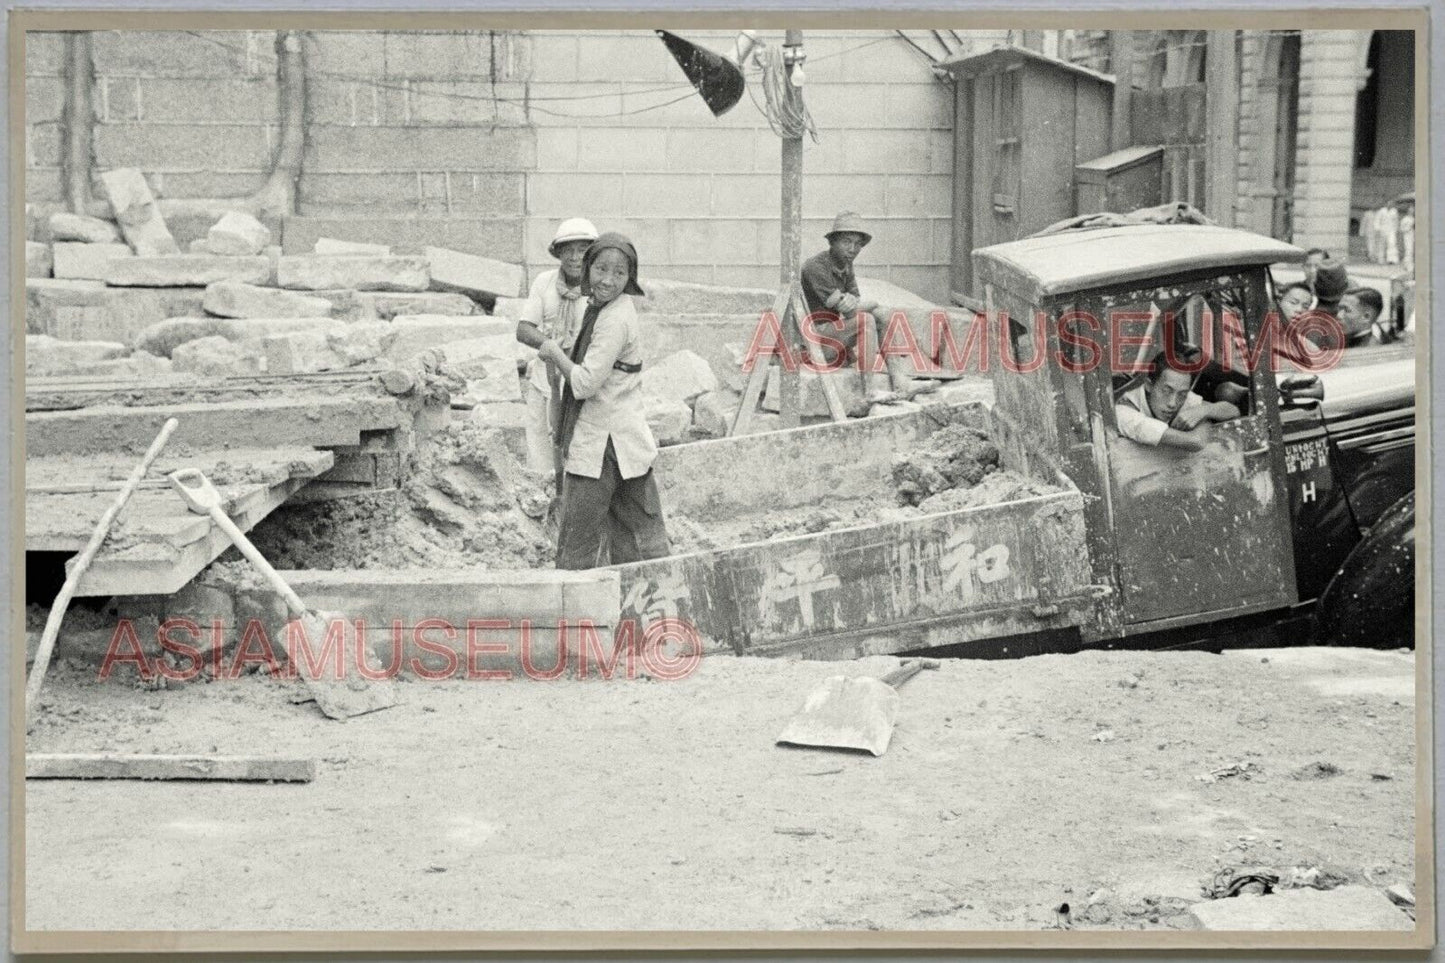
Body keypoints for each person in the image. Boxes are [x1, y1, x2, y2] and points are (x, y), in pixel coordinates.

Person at [536, 232, 671, 569]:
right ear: (588, 269)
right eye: (601, 270)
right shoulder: (604, 308)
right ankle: (646, 605)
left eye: (619, 273)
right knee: (639, 541)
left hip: (602, 445)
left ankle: (576, 611)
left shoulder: (613, 318)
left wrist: (554, 353)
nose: (608, 280)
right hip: (625, 441)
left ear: (630, 278)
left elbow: (583, 384)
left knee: (577, 547)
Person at [800, 212, 937, 416]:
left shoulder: (845, 265)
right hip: (813, 344)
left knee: (881, 316)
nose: (853, 249)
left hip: (833, 337)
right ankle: (870, 390)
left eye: (857, 244)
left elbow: (853, 300)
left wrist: (854, 303)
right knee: (866, 319)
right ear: (833, 241)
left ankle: (901, 384)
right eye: (846, 242)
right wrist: (863, 303)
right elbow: (851, 309)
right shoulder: (816, 267)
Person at [516, 217, 599, 473]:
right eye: (569, 250)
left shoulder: (599, 287)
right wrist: (551, 346)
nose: (575, 258)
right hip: (545, 379)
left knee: (578, 452)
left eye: (582, 251)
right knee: (540, 451)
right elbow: (524, 329)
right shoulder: (545, 282)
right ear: (560, 253)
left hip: (581, 380)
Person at [1115, 349, 1241, 452]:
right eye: (1166, 391)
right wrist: (1204, 420)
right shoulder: (1124, 412)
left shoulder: (1183, 396)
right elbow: (1197, 441)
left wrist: (1204, 411)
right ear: (1149, 385)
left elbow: (1233, 411)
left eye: (1182, 394)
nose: (1173, 403)